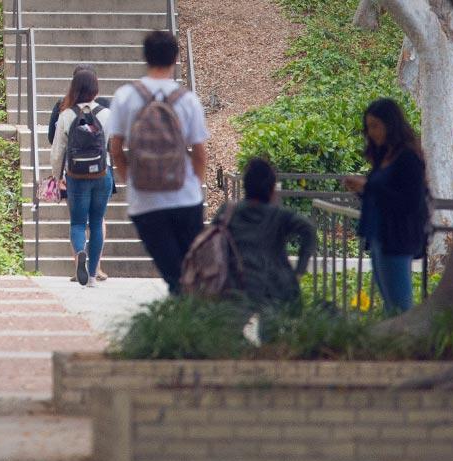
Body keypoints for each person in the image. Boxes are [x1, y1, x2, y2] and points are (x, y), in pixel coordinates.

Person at [108, 31, 211, 295]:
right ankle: (194, 327)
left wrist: (130, 179)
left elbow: (116, 149)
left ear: (145, 57)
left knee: (173, 275)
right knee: (191, 273)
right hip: (185, 198)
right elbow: (200, 153)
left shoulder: (125, 97)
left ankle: (180, 326)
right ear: (176, 58)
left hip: (145, 202)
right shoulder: (187, 100)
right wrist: (193, 184)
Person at [343, 98, 429, 315]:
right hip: (379, 235)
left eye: (375, 126)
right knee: (389, 303)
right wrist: (363, 190)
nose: (371, 132)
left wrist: (369, 186)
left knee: (400, 305)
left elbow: (410, 201)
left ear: (391, 125)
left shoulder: (407, 158)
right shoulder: (383, 157)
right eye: (368, 127)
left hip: (398, 238)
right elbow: (379, 197)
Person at [221, 158, 316, 311]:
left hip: (235, 284)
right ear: (272, 188)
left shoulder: (229, 211)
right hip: (276, 286)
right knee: (274, 332)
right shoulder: (280, 215)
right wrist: (299, 270)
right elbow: (308, 229)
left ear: (246, 185)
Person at [49, 66, 113, 287]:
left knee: (77, 223)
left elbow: (57, 151)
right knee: (96, 222)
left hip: (75, 176)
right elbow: (113, 146)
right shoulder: (106, 114)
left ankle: (80, 254)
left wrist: (57, 176)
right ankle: (93, 276)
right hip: (102, 175)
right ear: (96, 90)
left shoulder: (66, 115)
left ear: (74, 88)